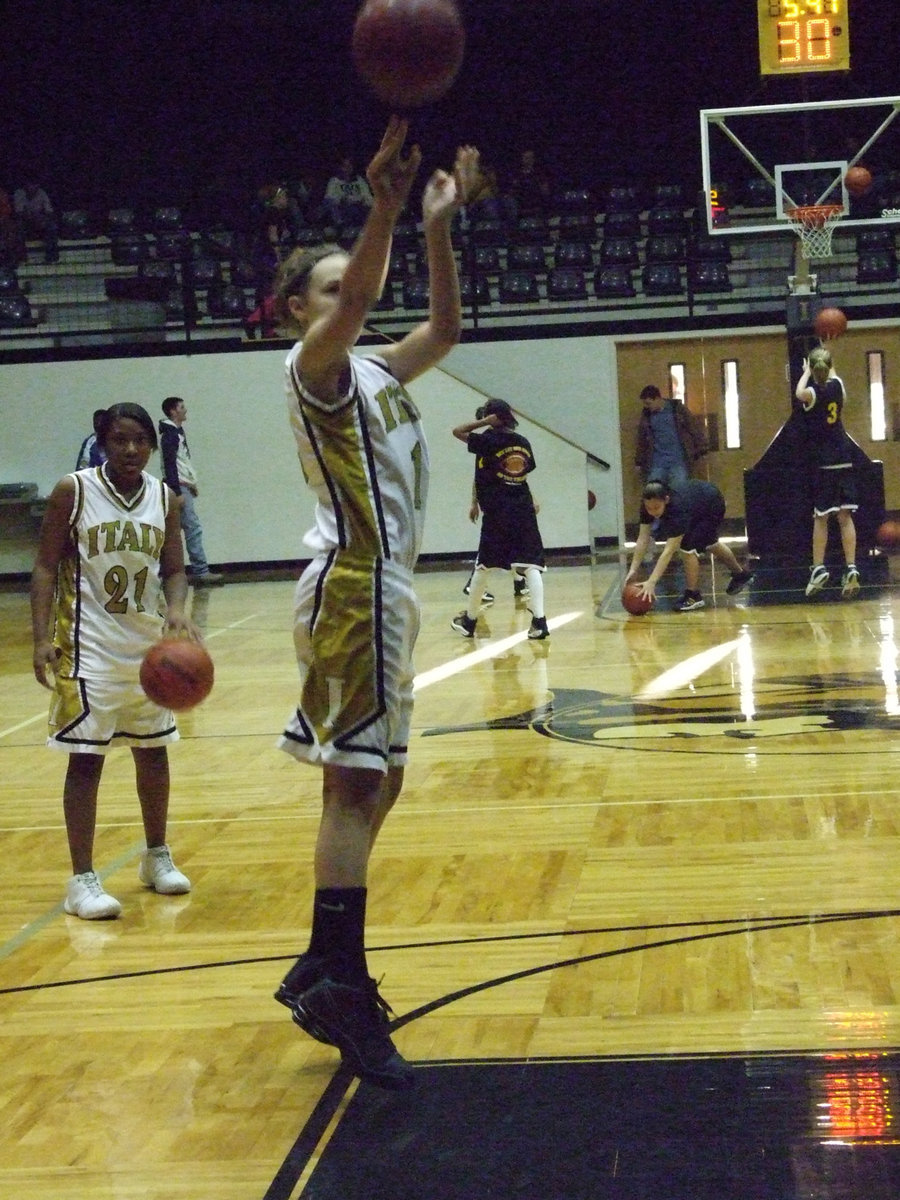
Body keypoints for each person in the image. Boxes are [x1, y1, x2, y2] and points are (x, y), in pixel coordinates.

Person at [270, 117, 479, 1090]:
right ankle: (341, 984)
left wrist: (434, 226)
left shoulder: (377, 370)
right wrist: (382, 207)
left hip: (381, 593)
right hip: (354, 583)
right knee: (357, 787)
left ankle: (325, 956)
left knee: (376, 782)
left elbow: (444, 329)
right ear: (295, 312)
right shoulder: (316, 369)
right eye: (325, 289)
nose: (345, 296)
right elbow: (359, 294)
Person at [30, 403, 201, 920]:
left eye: (140, 441)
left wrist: (176, 610)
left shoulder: (163, 498)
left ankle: (155, 856)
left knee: (154, 752)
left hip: (147, 650)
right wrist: (40, 638)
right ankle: (82, 880)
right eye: (120, 440)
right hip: (88, 647)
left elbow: (175, 569)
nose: (131, 450)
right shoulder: (74, 490)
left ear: (152, 445)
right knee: (87, 760)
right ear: (103, 442)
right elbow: (42, 567)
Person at [450, 398, 549, 640]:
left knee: (483, 566)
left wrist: (484, 421)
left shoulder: (488, 441)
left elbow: (457, 431)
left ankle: (470, 622)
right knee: (530, 565)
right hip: (523, 509)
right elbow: (521, 473)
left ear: (492, 416)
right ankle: (539, 622)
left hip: (497, 512)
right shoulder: (523, 442)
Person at [626, 479, 754, 612]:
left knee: (687, 547)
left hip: (711, 505)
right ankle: (741, 575)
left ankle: (693, 596)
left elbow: (668, 551)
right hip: (697, 503)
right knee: (710, 542)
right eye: (649, 508)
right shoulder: (648, 505)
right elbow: (642, 538)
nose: (652, 512)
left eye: (656, 508)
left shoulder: (677, 511)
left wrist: (652, 582)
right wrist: (633, 569)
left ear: (667, 500)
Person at [795, 347, 860, 599]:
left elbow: (798, 391)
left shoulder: (811, 393)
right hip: (844, 458)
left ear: (812, 368)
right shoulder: (838, 387)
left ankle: (818, 567)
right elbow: (832, 372)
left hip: (824, 462)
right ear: (830, 366)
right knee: (845, 516)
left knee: (821, 516)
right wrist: (828, 350)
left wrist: (805, 372)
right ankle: (852, 567)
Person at [159, 397, 224, 586]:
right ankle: (200, 571)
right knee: (191, 528)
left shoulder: (176, 432)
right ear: (173, 411)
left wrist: (191, 482)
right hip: (178, 487)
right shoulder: (170, 435)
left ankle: (167, 570)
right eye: (182, 407)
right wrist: (177, 491)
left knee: (175, 529)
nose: (185, 410)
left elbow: (181, 461)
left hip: (181, 485)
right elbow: (170, 464)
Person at [634, 385, 708, 487]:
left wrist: (702, 449)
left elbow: (693, 428)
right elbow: (642, 439)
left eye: (649, 403)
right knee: (653, 492)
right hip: (657, 462)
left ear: (657, 399)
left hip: (678, 461)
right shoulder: (647, 416)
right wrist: (639, 461)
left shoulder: (677, 410)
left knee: (679, 493)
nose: (647, 407)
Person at [321, 154, 374, 229]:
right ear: (340, 168)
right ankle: (340, 225)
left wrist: (359, 201)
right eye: (345, 166)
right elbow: (329, 198)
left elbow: (368, 198)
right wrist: (342, 200)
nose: (348, 169)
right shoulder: (334, 181)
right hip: (342, 209)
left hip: (359, 209)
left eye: (350, 166)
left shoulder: (359, 181)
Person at [13, 179, 59, 263]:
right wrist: (32, 216)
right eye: (30, 185)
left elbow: (49, 211)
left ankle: (51, 257)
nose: (32, 188)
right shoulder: (19, 193)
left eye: (34, 185)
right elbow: (19, 213)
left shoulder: (42, 193)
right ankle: (22, 258)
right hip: (25, 223)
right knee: (18, 229)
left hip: (39, 222)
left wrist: (42, 218)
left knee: (52, 227)